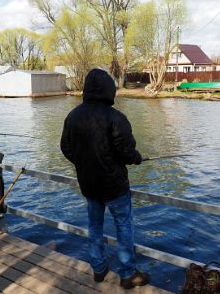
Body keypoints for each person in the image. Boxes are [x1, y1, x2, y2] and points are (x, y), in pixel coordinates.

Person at [60, 68, 151, 289]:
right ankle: (128, 274)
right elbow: (127, 152)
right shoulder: (116, 117)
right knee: (124, 228)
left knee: (94, 227)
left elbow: (66, 147)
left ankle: (99, 269)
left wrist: (83, 163)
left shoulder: (73, 116)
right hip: (115, 187)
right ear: (109, 90)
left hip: (89, 185)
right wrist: (137, 158)